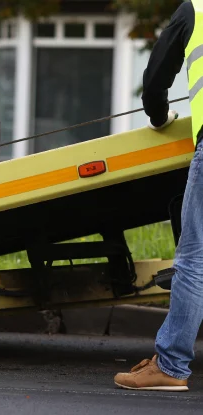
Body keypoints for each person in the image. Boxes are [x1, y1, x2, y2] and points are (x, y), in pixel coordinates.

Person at [113, 0, 203, 392]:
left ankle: (170, 365)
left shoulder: (196, 10)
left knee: (195, 259)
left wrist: (158, 115)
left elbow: (155, 78)